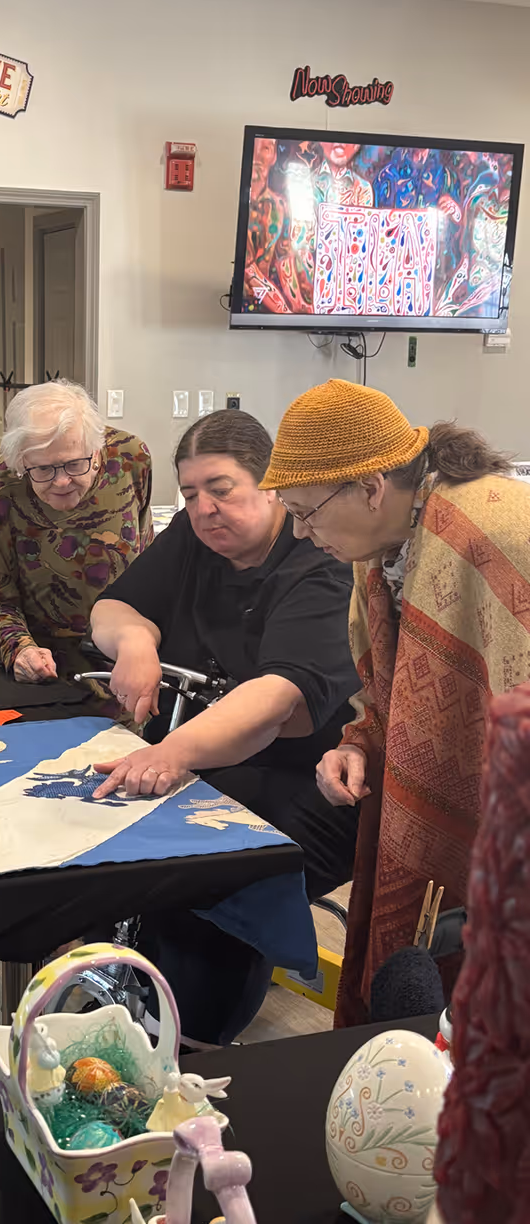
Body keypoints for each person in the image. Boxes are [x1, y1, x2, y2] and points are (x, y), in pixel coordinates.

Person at [261, 378, 530, 1026]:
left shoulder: (494, 527)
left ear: (370, 488)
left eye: (306, 511)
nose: (300, 532)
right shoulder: (381, 546)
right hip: (433, 814)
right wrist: (357, 744)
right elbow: (387, 698)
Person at [88, 409, 360, 1044]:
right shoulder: (195, 534)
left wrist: (173, 753)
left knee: (204, 859)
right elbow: (113, 605)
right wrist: (133, 640)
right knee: (128, 834)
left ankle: (193, 1033)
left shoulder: (318, 561)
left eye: (221, 488)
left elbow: (271, 703)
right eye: (189, 493)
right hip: (221, 755)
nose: (203, 508)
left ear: (272, 484)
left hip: (317, 775)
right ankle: (129, 988)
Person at [0, 380, 152, 685]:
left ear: (96, 451)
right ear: (20, 462)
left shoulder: (131, 459)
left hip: (127, 661)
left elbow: (149, 564)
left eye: (74, 464)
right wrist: (19, 649)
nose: (62, 481)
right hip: (43, 671)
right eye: (43, 469)